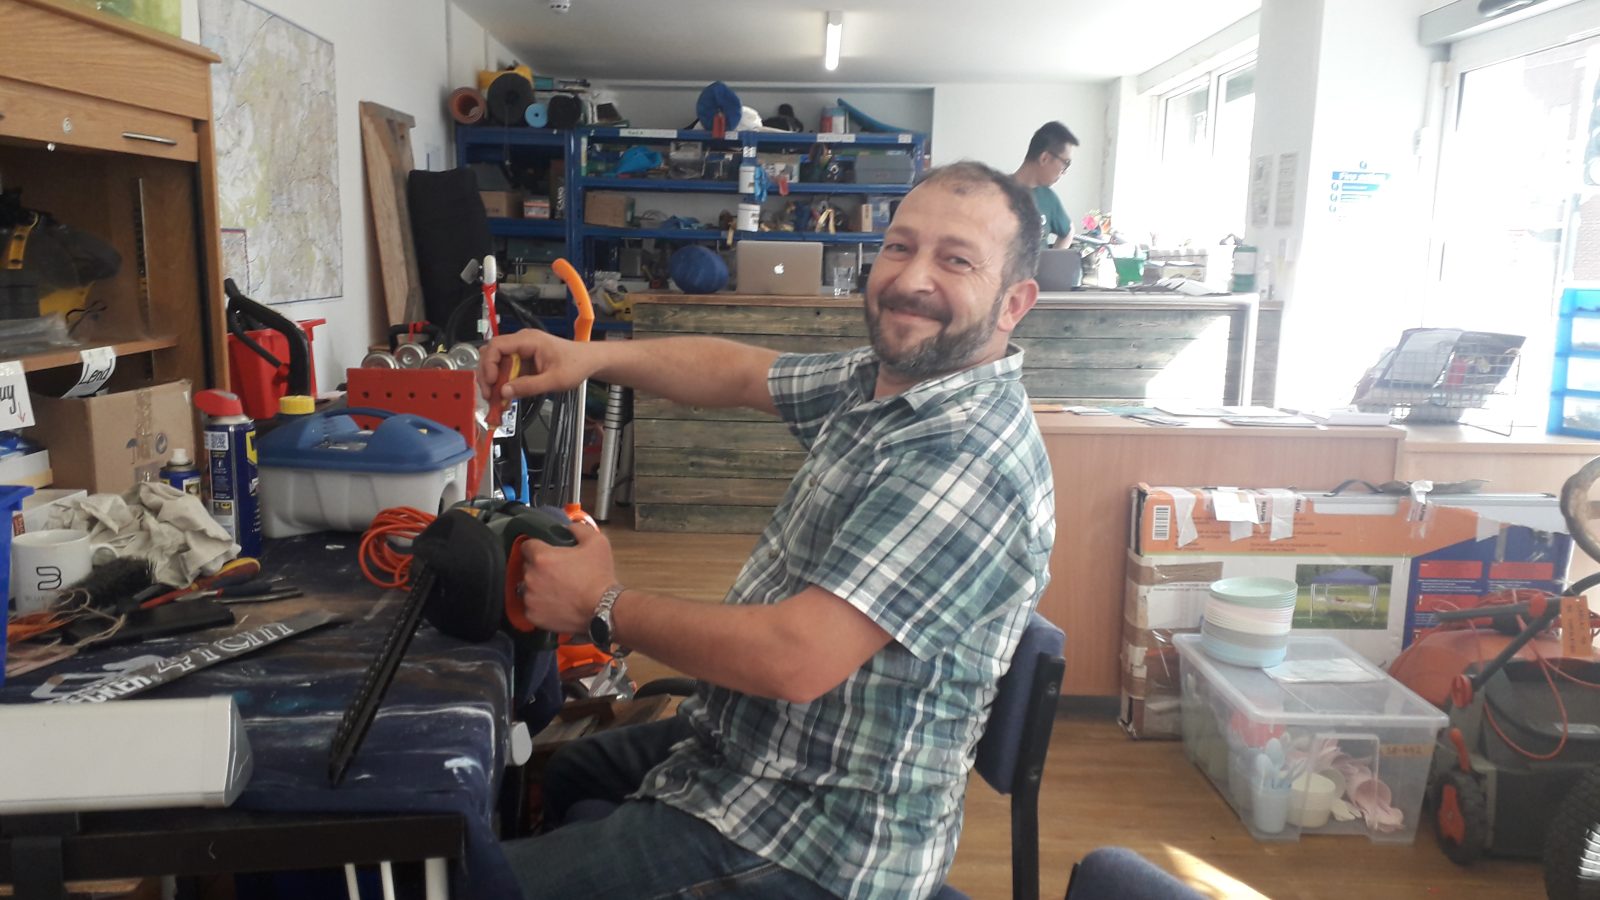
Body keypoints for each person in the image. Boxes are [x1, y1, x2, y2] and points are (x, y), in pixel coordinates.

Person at [484, 160, 1056, 900]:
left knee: (477, 884)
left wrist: (603, 603)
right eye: (899, 246)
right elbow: (739, 372)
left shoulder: (965, 456)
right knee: (567, 772)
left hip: (819, 839)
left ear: (1014, 302)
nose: (912, 278)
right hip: (752, 744)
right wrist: (589, 357)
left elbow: (796, 659)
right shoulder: (883, 386)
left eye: (956, 260)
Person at [1012, 121, 1080, 249]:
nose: (1064, 172)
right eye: (1066, 163)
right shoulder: (998, 192)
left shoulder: (1048, 198)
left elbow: (1068, 231)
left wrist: (1053, 264)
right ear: (1045, 158)